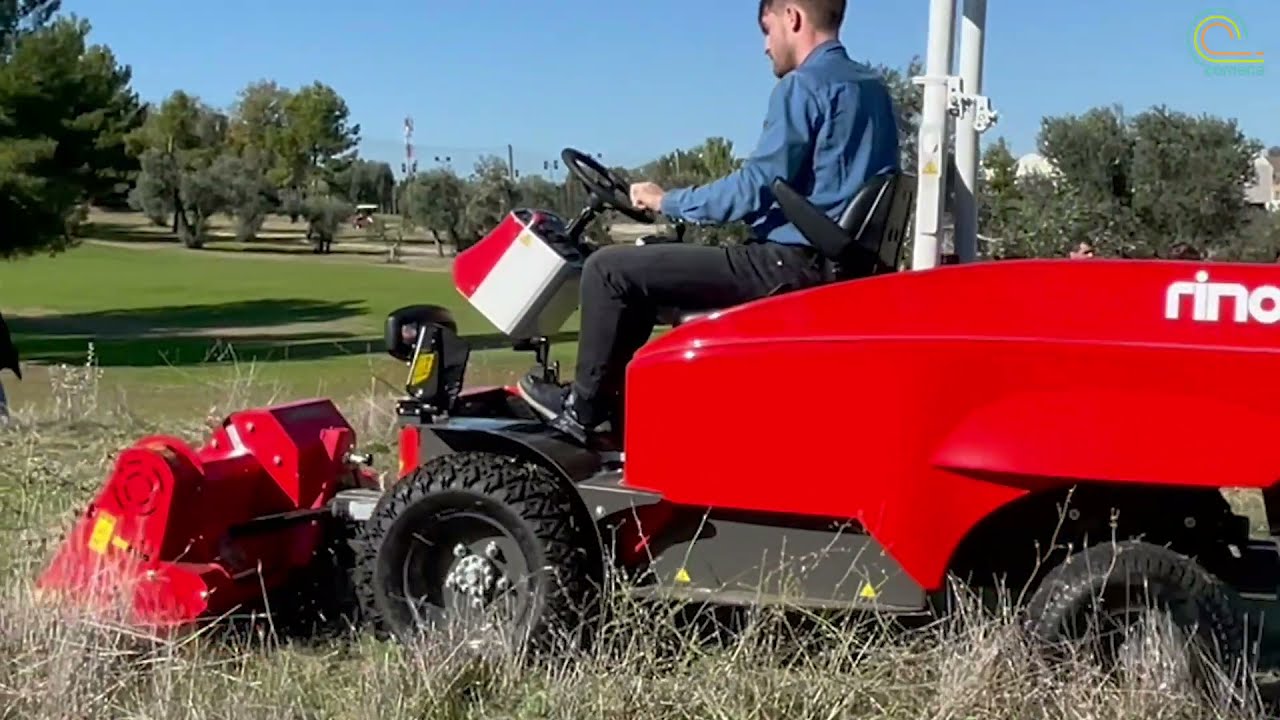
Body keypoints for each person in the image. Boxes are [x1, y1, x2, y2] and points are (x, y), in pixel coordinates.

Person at [517, 0, 900, 442]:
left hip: (788, 265)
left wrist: (667, 200)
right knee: (646, 269)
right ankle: (613, 403)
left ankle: (581, 414)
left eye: (766, 29)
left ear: (792, 18)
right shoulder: (872, 89)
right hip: (833, 265)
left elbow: (754, 187)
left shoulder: (804, 87)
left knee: (607, 269)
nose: (764, 46)